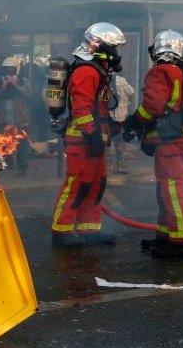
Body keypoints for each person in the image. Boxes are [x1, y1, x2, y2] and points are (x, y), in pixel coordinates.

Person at [50, 22, 126, 246]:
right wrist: (92, 134)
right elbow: (82, 109)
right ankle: (61, 230)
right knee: (76, 184)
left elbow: (98, 108)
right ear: (99, 47)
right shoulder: (86, 71)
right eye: (114, 48)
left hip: (94, 139)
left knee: (96, 184)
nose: (117, 53)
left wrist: (114, 126)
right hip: (81, 140)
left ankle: (89, 229)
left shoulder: (99, 71)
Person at [123, 30, 183, 260]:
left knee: (173, 191)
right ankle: (165, 236)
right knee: (167, 189)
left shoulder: (160, 71)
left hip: (170, 141)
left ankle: (180, 243)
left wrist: (135, 120)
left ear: (158, 49)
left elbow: (153, 106)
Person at [0, 57, 32, 175]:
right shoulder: (0, 81)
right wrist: (2, 87)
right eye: (6, 69)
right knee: (5, 142)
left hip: (20, 118)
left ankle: (23, 167)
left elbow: (29, 94)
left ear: (16, 69)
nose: (8, 72)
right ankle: (9, 163)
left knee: (22, 143)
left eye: (11, 69)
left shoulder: (23, 80)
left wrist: (15, 84)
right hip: (4, 118)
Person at [111, 73, 136, 173]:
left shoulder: (103, 79)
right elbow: (131, 93)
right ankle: (121, 167)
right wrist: (126, 103)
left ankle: (106, 168)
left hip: (107, 118)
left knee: (105, 143)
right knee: (120, 142)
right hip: (120, 117)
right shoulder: (121, 81)